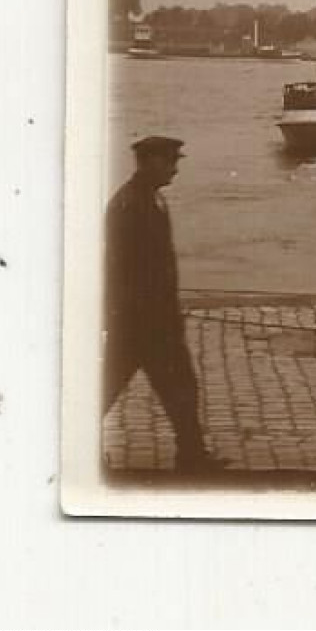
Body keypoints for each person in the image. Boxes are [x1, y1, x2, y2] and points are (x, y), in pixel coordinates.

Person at [103, 135, 225, 472]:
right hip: (139, 322)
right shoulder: (128, 206)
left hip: (156, 321)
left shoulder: (153, 200)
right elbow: (121, 270)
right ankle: (191, 457)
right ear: (150, 161)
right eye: (170, 162)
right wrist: (145, 317)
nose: (174, 170)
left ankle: (191, 456)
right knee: (109, 388)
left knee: (180, 387)